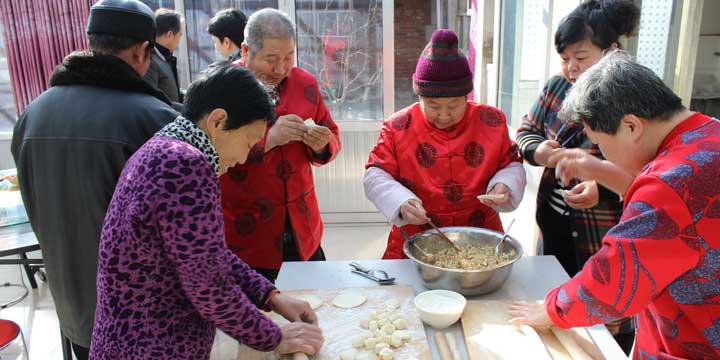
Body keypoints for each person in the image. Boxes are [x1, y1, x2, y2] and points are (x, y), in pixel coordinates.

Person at [90, 64, 324, 360]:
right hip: (150, 346)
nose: (242, 158)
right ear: (218, 121)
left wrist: (270, 296)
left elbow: (206, 254)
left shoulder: (163, 148)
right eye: (248, 142)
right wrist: (273, 337)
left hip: (128, 340)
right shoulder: (186, 165)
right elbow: (208, 285)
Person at [509, 50, 720, 360]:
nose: (603, 154)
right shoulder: (708, 132)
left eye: (602, 144)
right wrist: (600, 170)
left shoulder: (668, 185)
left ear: (631, 126)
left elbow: (615, 281)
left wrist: (553, 308)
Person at [10, 1, 178, 358]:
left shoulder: (33, 114)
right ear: (141, 51)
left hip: (74, 305)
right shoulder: (154, 119)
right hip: (143, 319)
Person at [364, 29, 526, 259]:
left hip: (480, 234)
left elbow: (511, 164)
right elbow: (375, 174)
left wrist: (504, 186)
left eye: (453, 105)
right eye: (432, 105)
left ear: (466, 97)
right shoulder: (398, 126)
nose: (443, 115)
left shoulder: (491, 120)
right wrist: (400, 202)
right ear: (419, 96)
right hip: (416, 234)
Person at [221, 8, 341, 283]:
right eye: (271, 59)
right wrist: (269, 140)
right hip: (247, 233)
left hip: (302, 226)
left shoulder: (305, 84)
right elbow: (207, 154)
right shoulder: (221, 88)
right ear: (245, 50)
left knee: (313, 305)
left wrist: (322, 144)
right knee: (257, 316)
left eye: (289, 57)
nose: (280, 68)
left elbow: (332, 134)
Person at [144, 8, 184, 102]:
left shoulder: (163, 57)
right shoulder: (149, 61)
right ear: (169, 35)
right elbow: (152, 101)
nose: (180, 39)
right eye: (180, 35)